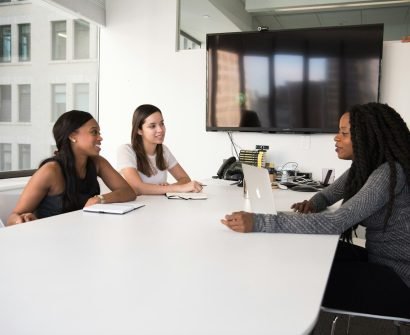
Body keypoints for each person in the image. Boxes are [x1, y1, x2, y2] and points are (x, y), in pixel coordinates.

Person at [221, 102, 410, 318]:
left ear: (368, 137)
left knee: (304, 275)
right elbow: (329, 194)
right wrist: (313, 204)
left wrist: (260, 221)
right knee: (309, 252)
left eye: (344, 133)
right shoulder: (366, 168)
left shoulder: (388, 173)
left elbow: (337, 221)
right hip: (381, 262)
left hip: (400, 280)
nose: (335, 137)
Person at [7, 110, 136, 226]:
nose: (100, 137)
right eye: (94, 132)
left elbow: (128, 192)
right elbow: (12, 218)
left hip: (81, 235)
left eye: (99, 132)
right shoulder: (50, 171)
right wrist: (22, 220)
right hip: (51, 241)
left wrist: (99, 199)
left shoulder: (97, 163)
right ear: (73, 136)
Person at [117, 104, 203, 195]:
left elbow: (185, 179)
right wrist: (175, 188)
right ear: (139, 130)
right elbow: (138, 187)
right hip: (136, 207)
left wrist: (169, 187)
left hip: (159, 206)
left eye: (162, 123)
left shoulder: (164, 150)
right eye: (152, 126)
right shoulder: (126, 150)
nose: (160, 130)